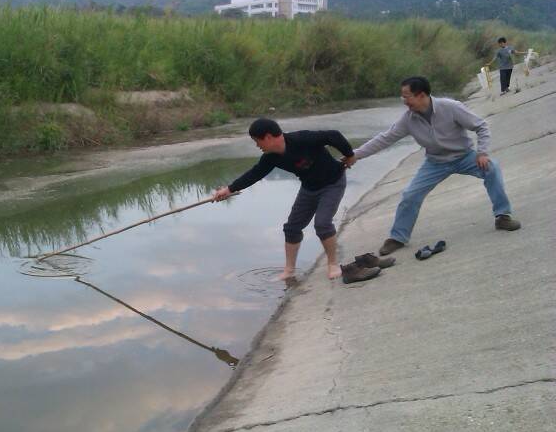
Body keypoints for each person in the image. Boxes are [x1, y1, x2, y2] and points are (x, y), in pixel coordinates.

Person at [342, 76, 520, 256]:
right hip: (435, 162)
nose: (404, 101)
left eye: (407, 97)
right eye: (402, 97)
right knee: (410, 195)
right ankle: (398, 237)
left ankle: (503, 216)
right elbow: (384, 139)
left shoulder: (450, 107)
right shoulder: (408, 119)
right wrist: (355, 155)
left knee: (492, 169)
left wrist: (482, 153)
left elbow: (481, 126)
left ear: (420, 95)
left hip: (464, 156)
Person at [213, 118, 355, 281]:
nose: (257, 146)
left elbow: (333, 135)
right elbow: (254, 174)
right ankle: (289, 271)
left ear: (267, 137)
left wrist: (349, 155)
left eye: (257, 141)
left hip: (333, 183)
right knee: (292, 228)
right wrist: (229, 189)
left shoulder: (302, 139)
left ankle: (333, 264)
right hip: (309, 188)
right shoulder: (271, 157)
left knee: (322, 223)